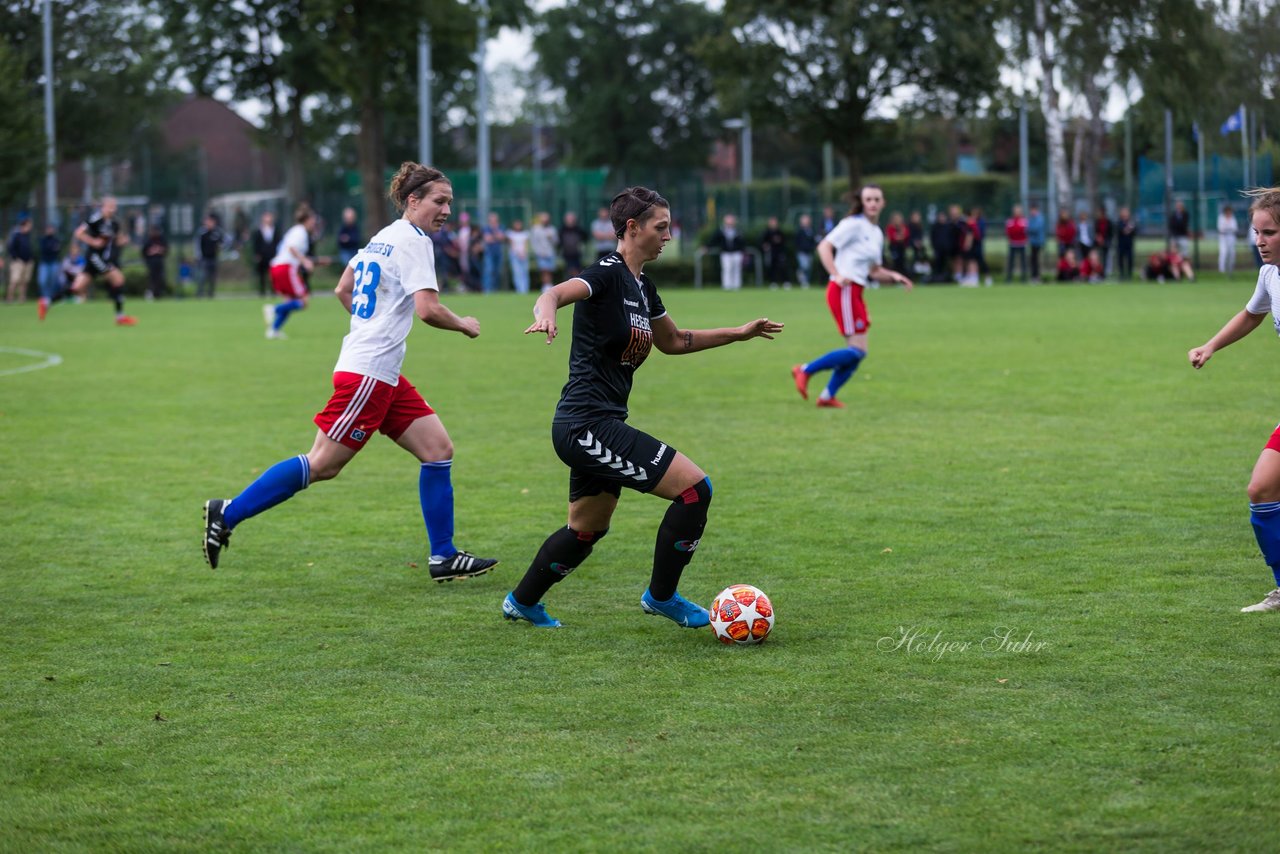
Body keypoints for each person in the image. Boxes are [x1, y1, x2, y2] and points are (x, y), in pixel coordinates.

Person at [503, 186, 784, 629]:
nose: (668, 236)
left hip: (601, 422)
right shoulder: (607, 273)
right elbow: (554, 293)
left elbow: (673, 341)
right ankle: (661, 596)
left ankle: (521, 602)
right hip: (584, 424)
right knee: (695, 489)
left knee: (586, 529)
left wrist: (739, 332)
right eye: (661, 227)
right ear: (632, 228)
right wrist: (548, 311)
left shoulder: (642, 286)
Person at [204, 161, 498, 582]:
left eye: (449, 202)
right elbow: (428, 310)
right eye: (439, 201)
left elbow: (343, 288)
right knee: (323, 463)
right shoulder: (414, 241)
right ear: (412, 201)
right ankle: (228, 512)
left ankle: (444, 556)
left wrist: (370, 328)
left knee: (437, 450)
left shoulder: (382, 237)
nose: (447, 210)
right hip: (369, 374)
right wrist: (464, 325)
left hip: (380, 372)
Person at [1188, 188, 1280, 611]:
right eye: (1256, 232)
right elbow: (1252, 314)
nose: (1260, 241)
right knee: (1261, 489)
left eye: (1270, 232)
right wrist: (1210, 346)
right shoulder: (1270, 276)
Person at [790, 185, 913, 409]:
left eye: (877, 199)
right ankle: (805, 370)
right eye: (869, 199)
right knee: (856, 350)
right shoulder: (853, 225)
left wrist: (894, 276)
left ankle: (827, 396)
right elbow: (824, 247)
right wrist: (836, 275)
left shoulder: (876, 233)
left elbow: (874, 271)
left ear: (883, 203)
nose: (873, 203)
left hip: (856, 292)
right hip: (843, 290)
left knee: (859, 352)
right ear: (862, 202)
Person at [69, 197, 136, 325]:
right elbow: (78, 233)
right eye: (110, 206)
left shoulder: (115, 223)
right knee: (118, 279)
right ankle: (120, 317)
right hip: (94, 257)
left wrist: (124, 241)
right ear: (103, 207)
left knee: (77, 288)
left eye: (114, 206)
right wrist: (93, 241)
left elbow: (118, 240)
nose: (112, 209)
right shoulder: (95, 219)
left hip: (103, 258)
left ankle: (47, 301)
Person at [264, 204, 318, 339]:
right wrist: (305, 262)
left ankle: (273, 330)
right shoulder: (300, 231)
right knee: (304, 301)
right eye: (313, 220)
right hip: (285, 268)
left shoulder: (295, 231)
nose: (314, 223)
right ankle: (273, 309)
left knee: (290, 302)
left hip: (278, 267)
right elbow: (292, 249)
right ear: (307, 220)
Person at [709, 214, 745, 290]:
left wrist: (743, 250)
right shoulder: (721, 230)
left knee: (737, 269)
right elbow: (714, 240)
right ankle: (727, 286)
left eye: (731, 220)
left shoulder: (738, 231)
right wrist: (707, 247)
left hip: (736, 253)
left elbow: (742, 242)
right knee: (727, 269)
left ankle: (736, 286)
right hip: (725, 253)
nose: (730, 222)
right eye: (728, 220)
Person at [6, 216, 34, 304]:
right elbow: (11, 248)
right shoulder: (16, 235)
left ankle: (22, 298)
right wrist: (16, 258)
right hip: (18, 262)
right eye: (28, 226)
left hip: (27, 261)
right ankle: (10, 298)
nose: (30, 228)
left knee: (24, 281)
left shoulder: (27, 236)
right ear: (24, 226)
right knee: (15, 280)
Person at [36, 224, 61, 319]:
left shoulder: (56, 240)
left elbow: (57, 250)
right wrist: (51, 248)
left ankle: (49, 300)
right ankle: (44, 299)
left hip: (53, 262)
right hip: (45, 263)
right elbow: (45, 250)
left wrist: (51, 249)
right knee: (42, 281)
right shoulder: (43, 240)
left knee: (53, 281)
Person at [250, 211, 279, 297]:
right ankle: (262, 292)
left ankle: (273, 291)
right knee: (262, 274)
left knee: (273, 274)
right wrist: (257, 254)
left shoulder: (275, 229)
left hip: (273, 255)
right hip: (262, 256)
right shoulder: (259, 230)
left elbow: (278, 242)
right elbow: (256, 243)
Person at [530, 211, 559, 291]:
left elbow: (556, 242)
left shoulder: (552, 229)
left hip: (550, 253)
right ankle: (545, 285)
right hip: (541, 254)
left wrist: (551, 238)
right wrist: (538, 252)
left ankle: (549, 284)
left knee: (549, 270)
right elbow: (534, 242)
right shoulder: (536, 229)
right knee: (544, 270)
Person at [196, 213, 222, 298]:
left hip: (213, 258)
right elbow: (198, 246)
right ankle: (200, 293)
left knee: (212, 277)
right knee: (203, 277)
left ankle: (210, 294)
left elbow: (222, 243)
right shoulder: (202, 234)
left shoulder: (216, 233)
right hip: (204, 259)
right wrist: (199, 257)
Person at [481, 212, 506, 293]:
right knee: (489, 271)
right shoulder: (486, 228)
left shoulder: (501, 227)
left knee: (497, 272)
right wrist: (496, 236)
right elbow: (488, 239)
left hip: (498, 253)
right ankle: (487, 290)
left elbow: (502, 237)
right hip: (489, 253)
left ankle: (495, 290)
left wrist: (494, 236)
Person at [142, 224, 169, 299]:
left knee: (160, 278)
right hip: (151, 262)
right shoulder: (148, 240)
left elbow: (166, 249)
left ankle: (158, 294)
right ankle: (150, 292)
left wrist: (159, 250)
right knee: (151, 278)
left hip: (159, 261)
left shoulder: (162, 239)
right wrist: (151, 252)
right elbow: (144, 251)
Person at [760, 215, 788, 286]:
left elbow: (783, 241)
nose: (773, 223)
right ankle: (773, 282)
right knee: (772, 268)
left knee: (782, 267)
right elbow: (763, 242)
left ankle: (785, 282)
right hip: (771, 253)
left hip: (779, 252)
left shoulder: (779, 231)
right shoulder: (766, 232)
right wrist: (765, 246)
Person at [506, 218, 531, 294]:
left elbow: (526, 244)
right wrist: (518, 253)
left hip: (524, 255)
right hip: (515, 256)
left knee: (524, 272)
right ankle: (519, 289)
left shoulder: (525, 233)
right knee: (517, 273)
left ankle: (525, 289)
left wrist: (523, 253)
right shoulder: (510, 233)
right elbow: (512, 244)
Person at [558, 211, 587, 279]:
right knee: (570, 270)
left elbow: (585, 237)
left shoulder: (578, 229)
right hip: (567, 254)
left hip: (577, 253)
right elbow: (559, 242)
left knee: (578, 269)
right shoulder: (562, 230)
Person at [1005, 204, 1028, 282]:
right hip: (1013, 243)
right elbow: (1008, 231)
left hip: (1022, 243)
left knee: (1023, 262)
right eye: (1016, 211)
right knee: (1011, 262)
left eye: (1018, 211)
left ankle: (1024, 278)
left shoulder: (1024, 221)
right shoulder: (1010, 221)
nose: (1017, 212)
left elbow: (1025, 231)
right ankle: (1009, 278)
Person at [929, 209, 953, 283]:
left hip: (946, 250)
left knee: (946, 265)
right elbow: (932, 238)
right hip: (938, 250)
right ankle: (937, 278)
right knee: (938, 264)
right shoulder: (935, 227)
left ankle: (945, 278)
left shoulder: (948, 226)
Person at [794, 213, 817, 287]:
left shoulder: (811, 230)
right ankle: (801, 277)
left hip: (809, 252)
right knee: (804, 266)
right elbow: (796, 241)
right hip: (801, 252)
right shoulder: (799, 231)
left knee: (809, 268)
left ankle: (806, 282)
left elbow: (813, 240)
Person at [884, 212, 909, 277]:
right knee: (895, 263)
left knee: (901, 263)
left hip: (902, 248)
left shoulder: (903, 227)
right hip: (893, 248)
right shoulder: (890, 227)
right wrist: (899, 237)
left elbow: (905, 236)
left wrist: (899, 236)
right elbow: (892, 237)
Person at [1116, 207, 1137, 280]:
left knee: (1130, 259)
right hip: (1121, 244)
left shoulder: (1131, 222)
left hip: (1129, 244)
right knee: (1120, 259)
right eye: (1124, 212)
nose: (1125, 214)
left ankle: (1129, 274)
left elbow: (1134, 231)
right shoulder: (1119, 222)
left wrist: (1129, 229)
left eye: (1126, 212)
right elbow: (1122, 231)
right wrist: (1129, 229)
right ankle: (1121, 274)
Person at [1027, 204, 1046, 281]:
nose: (1032, 211)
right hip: (1032, 242)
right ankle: (1034, 276)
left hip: (1038, 242)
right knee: (1033, 260)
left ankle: (1037, 276)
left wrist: (1029, 229)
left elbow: (1034, 228)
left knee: (1036, 260)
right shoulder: (1031, 218)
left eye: (1033, 210)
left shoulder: (1039, 218)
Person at [1219, 204, 1239, 275]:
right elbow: (1221, 229)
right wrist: (1228, 229)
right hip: (1224, 238)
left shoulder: (1233, 218)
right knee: (1223, 253)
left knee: (1232, 253)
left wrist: (1228, 229)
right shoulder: (1221, 218)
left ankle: (1231, 269)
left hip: (1231, 238)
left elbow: (1235, 228)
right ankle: (1222, 270)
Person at [1094, 206, 1112, 276]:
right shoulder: (1097, 222)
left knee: (1105, 258)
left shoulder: (1108, 222)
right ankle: (1096, 272)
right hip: (1097, 243)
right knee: (1097, 258)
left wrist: (1105, 240)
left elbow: (1110, 233)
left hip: (1106, 242)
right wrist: (1098, 238)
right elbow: (1096, 231)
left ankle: (1104, 273)